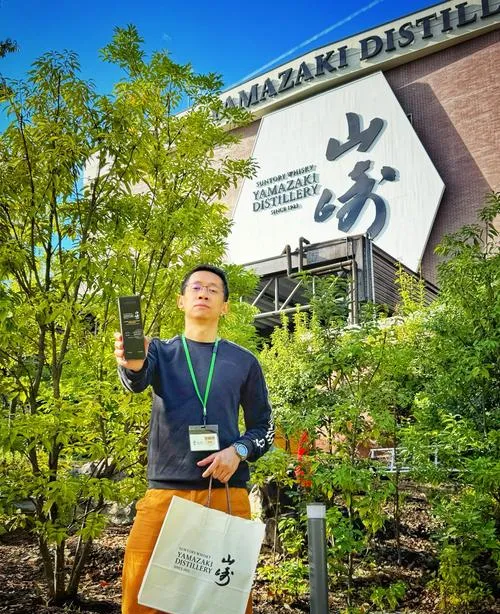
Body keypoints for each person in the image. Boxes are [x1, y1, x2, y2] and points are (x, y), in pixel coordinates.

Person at [114, 264, 274, 614]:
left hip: (226, 494)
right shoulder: (159, 351)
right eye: (196, 288)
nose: (204, 293)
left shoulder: (244, 361)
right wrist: (132, 364)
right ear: (181, 301)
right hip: (165, 494)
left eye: (213, 290)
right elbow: (136, 380)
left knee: (224, 603)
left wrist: (238, 450)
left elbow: (265, 427)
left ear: (225, 306)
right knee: (140, 598)